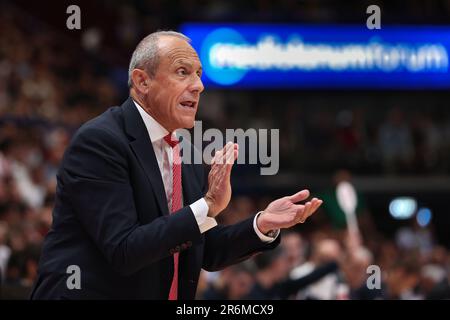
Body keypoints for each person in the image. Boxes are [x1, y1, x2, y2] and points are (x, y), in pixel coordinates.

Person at [30, 31, 322, 300]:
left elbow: (202, 249)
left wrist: (261, 224)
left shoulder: (187, 153)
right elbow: (124, 249)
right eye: (183, 72)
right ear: (142, 81)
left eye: (198, 75)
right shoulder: (101, 141)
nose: (198, 86)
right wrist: (207, 206)